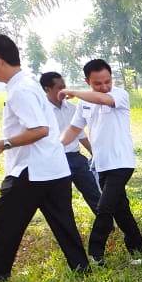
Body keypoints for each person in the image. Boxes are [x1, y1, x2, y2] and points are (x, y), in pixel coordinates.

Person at [0, 35, 89, 282]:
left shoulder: (20, 90)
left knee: (4, 218)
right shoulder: (27, 84)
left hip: (32, 170)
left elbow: (39, 129)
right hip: (54, 168)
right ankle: (81, 268)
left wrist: (2, 144)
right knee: (63, 221)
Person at [59, 58, 142, 265]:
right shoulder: (83, 104)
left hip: (122, 162)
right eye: (98, 83)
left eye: (107, 81)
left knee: (104, 207)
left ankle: (95, 253)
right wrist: (55, 148)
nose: (104, 86)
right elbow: (73, 129)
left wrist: (75, 92)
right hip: (101, 164)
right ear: (87, 81)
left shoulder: (119, 95)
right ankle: (138, 247)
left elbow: (102, 99)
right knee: (120, 208)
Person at [40, 71, 101, 213]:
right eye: (60, 88)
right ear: (47, 89)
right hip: (56, 159)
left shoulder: (72, 108)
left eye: (65, 86)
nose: (64, 91)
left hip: (76, 157)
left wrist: (94, 152)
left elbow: (80, 134)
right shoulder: (41, 112)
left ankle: (106, 224)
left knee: (93, 191)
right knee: (63, 200)